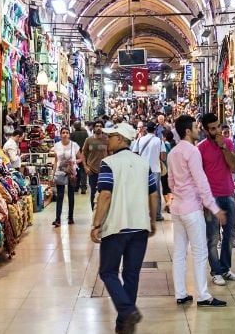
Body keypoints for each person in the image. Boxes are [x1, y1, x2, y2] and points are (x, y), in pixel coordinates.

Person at [90, 123, 160, 334]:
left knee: (108, 271)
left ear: (120, 139)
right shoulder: (142, 163)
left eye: (111, 137)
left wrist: (96, 224)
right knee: (131, 274)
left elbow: (105, 195)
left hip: (116, 227)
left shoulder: (108, 163)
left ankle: (127, 311)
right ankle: (123, 325)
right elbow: (153, 194)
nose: (107, 140)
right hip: (139, 227)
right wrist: (152, 220)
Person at [167, 115, 228, 307]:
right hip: (192, 208)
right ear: (187, 130)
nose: (198, 129)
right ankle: (202, 295)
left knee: (179, 252)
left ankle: (181, 293)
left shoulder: (173, 153)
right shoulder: (192, 151)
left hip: (177, 207)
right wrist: (213, 207)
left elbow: (170, 181)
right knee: (200, 252)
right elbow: (201, 180)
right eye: (195, 127)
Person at [198, 113, 235, 285]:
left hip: (228, 194)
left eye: (218, 126)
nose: (216, 131)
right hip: (211, 197)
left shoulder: (228, 143)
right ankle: (216, 270)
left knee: (230, 234)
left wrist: (223, 147)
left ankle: (225, 268)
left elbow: (233, 168)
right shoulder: (200, 149)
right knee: (213, 237)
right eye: (212, 128)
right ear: (205, 129)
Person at [132, 122, 165, 221]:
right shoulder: (159, 141)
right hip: (155, 169)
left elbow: (134, 154)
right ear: (155, 129)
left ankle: (143, 214)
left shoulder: (140, 140)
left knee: (142, 192)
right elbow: (163, 157)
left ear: (146, 129)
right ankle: (157, 215)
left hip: (142, 170)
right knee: (156, 192)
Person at [52, 128, 83, 227]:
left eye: (67, 133)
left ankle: (70, 217)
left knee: (71, 195)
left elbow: (81, 158)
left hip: (71, 172)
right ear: (60, 134)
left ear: (69, 134)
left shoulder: (74, 145)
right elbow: (56, 161)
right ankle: (58, 219)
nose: (65, 134)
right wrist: (52, 175)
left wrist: (74, 162)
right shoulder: (57, 146)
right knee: (60, 196)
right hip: (60, 172)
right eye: (63, 133)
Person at [82, 122, 109, 210]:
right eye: (97, 126)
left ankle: (102, 212)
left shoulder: (107, 140)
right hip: (92, 171)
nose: (98, 128)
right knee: (93, 192)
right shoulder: (88, 140)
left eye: (100, 126)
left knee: (104, 192)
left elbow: (111, 153)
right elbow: (83, 154)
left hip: (104, 171)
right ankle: (94, 212)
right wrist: (85, 167)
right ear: (93, 128)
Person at [71, 122, 90, 194]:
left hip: (75, 154)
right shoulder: (85, 134)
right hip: (84, 154)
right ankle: (83, 188)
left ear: (74, 127)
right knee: (83, 171)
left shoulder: (72, 134)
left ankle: (76, 187)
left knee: (76, 171)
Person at [161, 129, 176, 212]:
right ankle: (171, 203)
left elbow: (162, 157)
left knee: (165, 187)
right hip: (173, 168)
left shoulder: (163, 145)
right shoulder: (174, 144)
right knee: (171, 187)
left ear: (165, 137)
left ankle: (169, 204)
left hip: (165, 168)